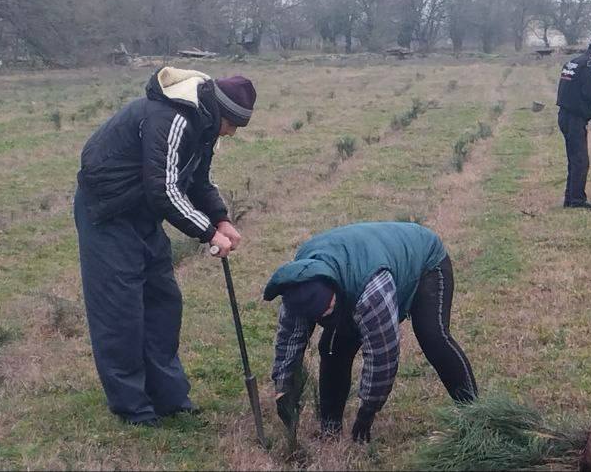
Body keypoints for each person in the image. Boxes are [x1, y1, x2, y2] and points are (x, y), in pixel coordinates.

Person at [74, 66, 256, 426]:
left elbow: (197, 180)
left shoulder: (203, 127)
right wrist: (207, 233)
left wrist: (221, 218)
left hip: (141, 212)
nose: (232, 133)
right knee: (120, 311)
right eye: (233, 125)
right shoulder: (171, 118)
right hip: (107, 212)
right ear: (222, 113)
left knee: (163, 301)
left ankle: (170, 398)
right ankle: (134, 408)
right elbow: (165, 190)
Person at [264, 222, 478, 444]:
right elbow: (289, 341)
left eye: (330, 309)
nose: (326, 318)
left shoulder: (372, 292)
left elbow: (382, 355)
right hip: (362, 262)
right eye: (320, 317)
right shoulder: (297, 286)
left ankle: (476, 413)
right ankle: (330, 427)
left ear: (335, 289)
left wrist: (368, 409)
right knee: (333, 347)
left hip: (423, 260)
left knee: (433, 338)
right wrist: (284, 389)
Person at [556, 35, 591, 209]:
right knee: (580, 160)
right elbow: (590, 93)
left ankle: (570, 198)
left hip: (564, 114)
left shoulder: (574, 61)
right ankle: (577, 200)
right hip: (574, 117)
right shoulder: (590, 65)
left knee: (574, 159)